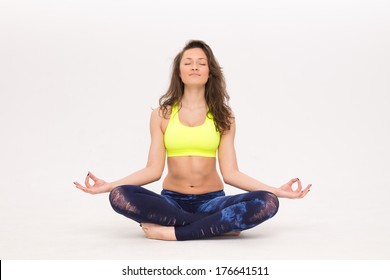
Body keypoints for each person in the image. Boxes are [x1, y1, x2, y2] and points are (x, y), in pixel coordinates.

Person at [74, 40, 312, 241]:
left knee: (267, 202)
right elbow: (153, 170)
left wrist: (276, 191)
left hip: (212, 201)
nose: (195, 67)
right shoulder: (161, 114)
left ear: (210, 72)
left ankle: (175, 233)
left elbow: (231, 174)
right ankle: (218, 225)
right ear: (179, 71)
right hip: (172, 203)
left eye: (201, 63)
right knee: (120, 195)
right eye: (188, 63)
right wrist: (109, 185)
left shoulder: (223, 116)